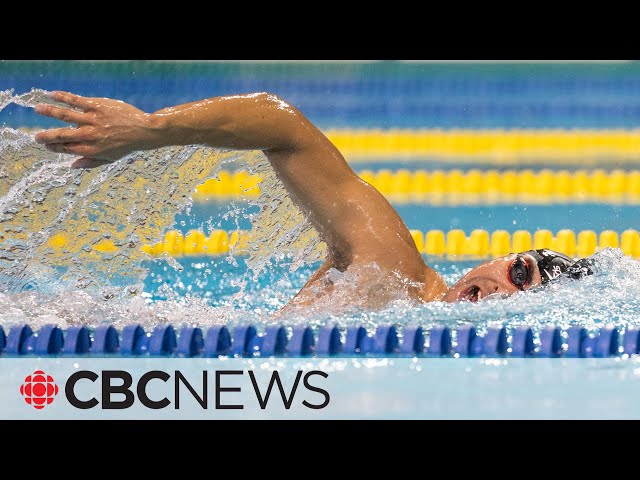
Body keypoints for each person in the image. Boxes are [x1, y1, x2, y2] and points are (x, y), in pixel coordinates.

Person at [33, 91, 593, 310]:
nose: (503, 291)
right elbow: (285, 126)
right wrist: (152, 128)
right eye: (519, 270)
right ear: (496, 259)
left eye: (523, 295)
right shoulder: (396, 270)